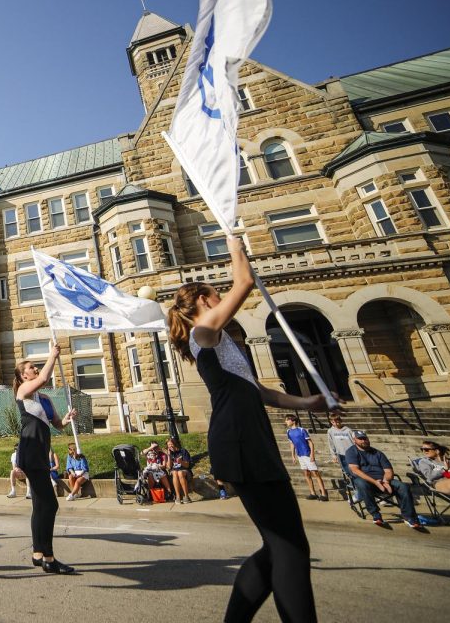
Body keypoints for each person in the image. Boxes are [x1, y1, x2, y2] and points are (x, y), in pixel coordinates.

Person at [166, 236, 331, 623]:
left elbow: (261, 392)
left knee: (280, 546)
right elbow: (245, 283)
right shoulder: (203, 330)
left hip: (249, 435)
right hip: (239, 440)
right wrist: (233, 243)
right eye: (215, 293)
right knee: (289, 546)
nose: (221, 296)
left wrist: (308, 403)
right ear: (206, 302)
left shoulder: (224, 346)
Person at [14, 343, 77, 575]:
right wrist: (52, 355)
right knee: (50, 504)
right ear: (23, 376)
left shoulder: (45, 400)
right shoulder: (23, 392)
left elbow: (57, 425)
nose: (36, 368)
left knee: (40, 504)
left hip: (42, 451)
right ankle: (49, 558)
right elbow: (44, 378)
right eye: (32, 367)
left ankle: (38, 554)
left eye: (35, 366)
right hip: (30, 450)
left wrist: (67, 420)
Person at [345, 430, 423, 530]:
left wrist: (385, 481)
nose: (364, 440)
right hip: (367, 481)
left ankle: (409, 517)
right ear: (354, 440)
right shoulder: (351, 451)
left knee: (403, 486)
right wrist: (375, 482)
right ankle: (376, 514)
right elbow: (355, 470)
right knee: (361, 483)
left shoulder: (378, 453)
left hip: (384, 481)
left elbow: (389, 470)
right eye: (360, 439)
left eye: (365, 438)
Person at [413, 440, 450, 530]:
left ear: (437, 450)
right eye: (422, 449)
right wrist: (444, 470)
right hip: (438, 483)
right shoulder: (424, 462)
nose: (424, 451)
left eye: (427, 449)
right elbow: (429, 477)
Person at [283, 414, 327, 501]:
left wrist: (312, 455)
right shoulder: (289, 432)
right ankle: (312, 493)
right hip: (300, 455)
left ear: (293, 421)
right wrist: (293, 455)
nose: (286, 422)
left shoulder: (302, 430)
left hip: (307, 454)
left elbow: (311, 443)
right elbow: (292, 443)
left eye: (287, 420)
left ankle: (324, 494)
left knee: (315, 473)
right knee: (306, 473)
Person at [165, 437, 192, 504]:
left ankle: (186, 496)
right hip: (175, 473)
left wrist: (181, 461)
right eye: (168, 445)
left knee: (179, 472)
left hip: (185, 471)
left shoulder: (183, 451)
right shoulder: (170, 453)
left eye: (171, 444)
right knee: (174, 472)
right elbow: (168, 467)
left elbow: (187, 465)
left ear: (175, 444)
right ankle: (178, 496)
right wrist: (168, 456)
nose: (170, 446)